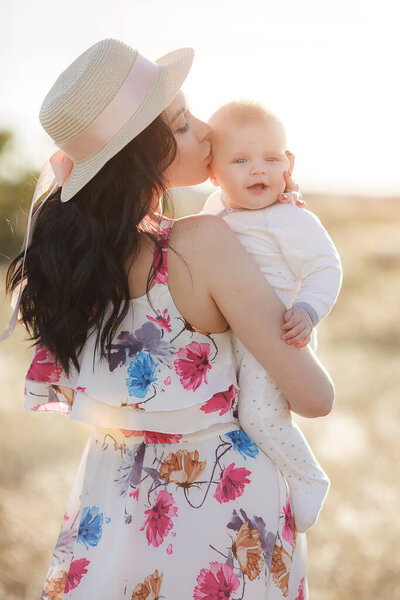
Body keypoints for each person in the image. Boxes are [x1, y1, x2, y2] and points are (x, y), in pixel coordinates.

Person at [1, 39, 334, 599]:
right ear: (141, 155)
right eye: (182, 124)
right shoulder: (202, 241)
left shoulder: (82, 267)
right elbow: (314, 397)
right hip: (219, 509)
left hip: (113, 501)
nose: (206, 132)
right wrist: (279, 234)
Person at [200, 100, 342, 533]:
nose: (258, 170)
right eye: (240, 160)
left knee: (260, 416)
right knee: (231, 410)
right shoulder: (213, 210)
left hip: (280, 332)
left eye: (270, 158)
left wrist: (307, 310)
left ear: (289, 163)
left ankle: (307, 477)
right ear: (213, 172)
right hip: (233, 335)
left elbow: (325, 268)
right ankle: (260, 481)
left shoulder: (290, 219)